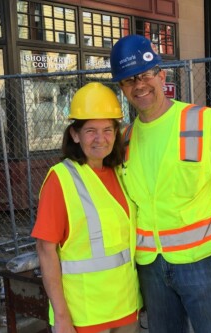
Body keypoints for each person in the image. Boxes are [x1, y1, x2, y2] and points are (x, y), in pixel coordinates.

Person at [109, 34, 211, 333]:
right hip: (150, 268)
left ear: (161, 75)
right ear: (122, 89)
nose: (139, 85)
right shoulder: (124, 139)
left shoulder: (204, 122)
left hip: (206, 265)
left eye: (145, 74)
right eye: (128, 81)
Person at [31, 82, 141, 333]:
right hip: (84, 315)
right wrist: (61, 317)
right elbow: (46, 251)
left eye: (107, 130)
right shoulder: (61, 179)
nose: (100, 139)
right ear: (75, 134)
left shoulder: (119, 173)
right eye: (91, 130)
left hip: (125, 307)